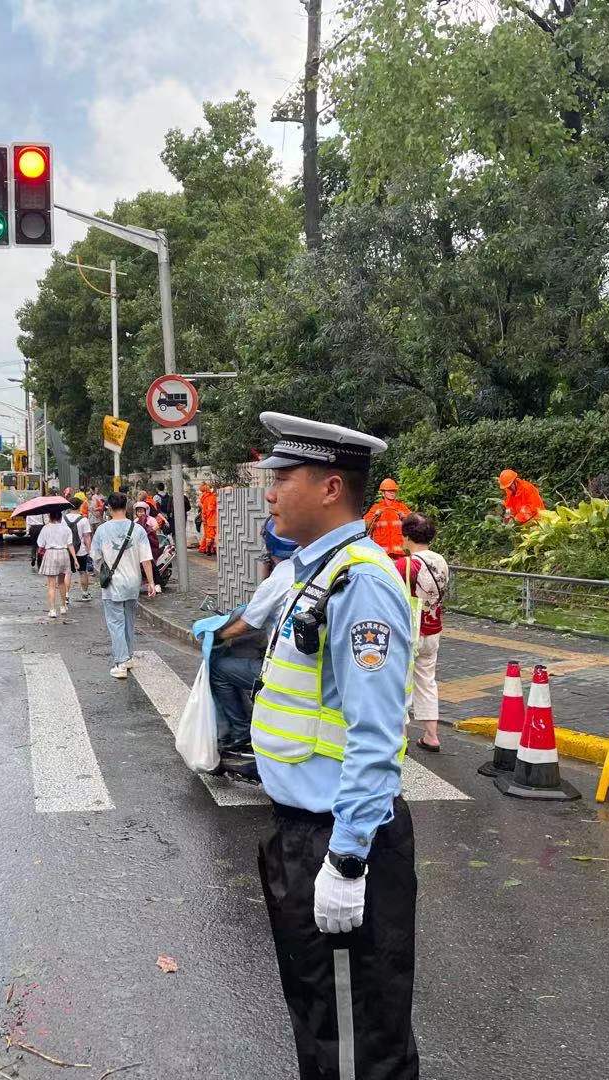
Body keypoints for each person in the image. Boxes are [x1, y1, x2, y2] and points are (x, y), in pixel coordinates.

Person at [249, 411, 419, 1079]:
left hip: (341, 842)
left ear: (328, 487)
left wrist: (348, 863)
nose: (269, 491)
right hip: (302, 836)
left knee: (354, 1042)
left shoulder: (361, 583)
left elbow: (376, 737)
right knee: (326, 1023)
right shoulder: (314, 573)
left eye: (282, 477)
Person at [195, 553, 298, 758]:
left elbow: (247, 622)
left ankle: (241, 733)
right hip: (307, 669)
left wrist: (218, 636)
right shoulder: (316, 569)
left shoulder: (276, 581)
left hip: (286, 671)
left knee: (218, 669)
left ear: (270, 559)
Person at [394, 513, 448, 753]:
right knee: (427, 681)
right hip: (433, 628)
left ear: (406, 537)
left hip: (409, 631)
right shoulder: (441, 561)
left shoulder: (405, 564)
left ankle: (401, 736)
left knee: (401, 683)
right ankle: (431, 735)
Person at [89, 492, 155, 679]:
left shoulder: (102, 530)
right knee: (129, 621)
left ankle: (120, 663)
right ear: (126, 506)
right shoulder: (138, 530)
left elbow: (95, 557)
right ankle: (128, 657)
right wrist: (150, 582)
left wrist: (101, 569)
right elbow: (146, 559)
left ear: (108, 507)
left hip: (113, 584)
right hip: (133, 583)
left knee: (115, 623)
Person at [35, 507, 76, 618]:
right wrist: (75, 559)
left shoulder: (46, 528)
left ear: (50, 516)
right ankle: (63, 606)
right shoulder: (66, 528)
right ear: (61, 517)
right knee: (61, 582)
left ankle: (52, 610)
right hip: (64, 553)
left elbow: (40, 544)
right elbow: (70, 544)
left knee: (51, 585)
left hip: (51, 553)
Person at [363, 476, 411, 556]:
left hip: (400, 554)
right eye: (389, 491)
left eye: (394, 491)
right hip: (381, 554)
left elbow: (414, 523)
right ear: (383, 493)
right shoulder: (376, 508)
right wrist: (374, 516)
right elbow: (365, 525)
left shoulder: (401, 507)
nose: (392, 493)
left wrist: (404, 517)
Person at [65, 497, 94, 603]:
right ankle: (85, 594)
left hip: (67, 549)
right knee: (83, 572)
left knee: (68, 573)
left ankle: (66, 596)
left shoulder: (64, 519)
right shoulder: (84, 520)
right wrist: (90, 550)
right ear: (80, 506)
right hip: (81, 551)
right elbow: (87, 537)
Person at [198, 482, 218, 555]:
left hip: (207, 518)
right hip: (212, 519)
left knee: (208, 535)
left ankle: (207, 549)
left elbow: (203, 509)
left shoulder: (204, 497)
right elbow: (211, 509)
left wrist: (204, 517)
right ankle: (209, 549)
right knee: (211, 535)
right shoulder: (213, 497)